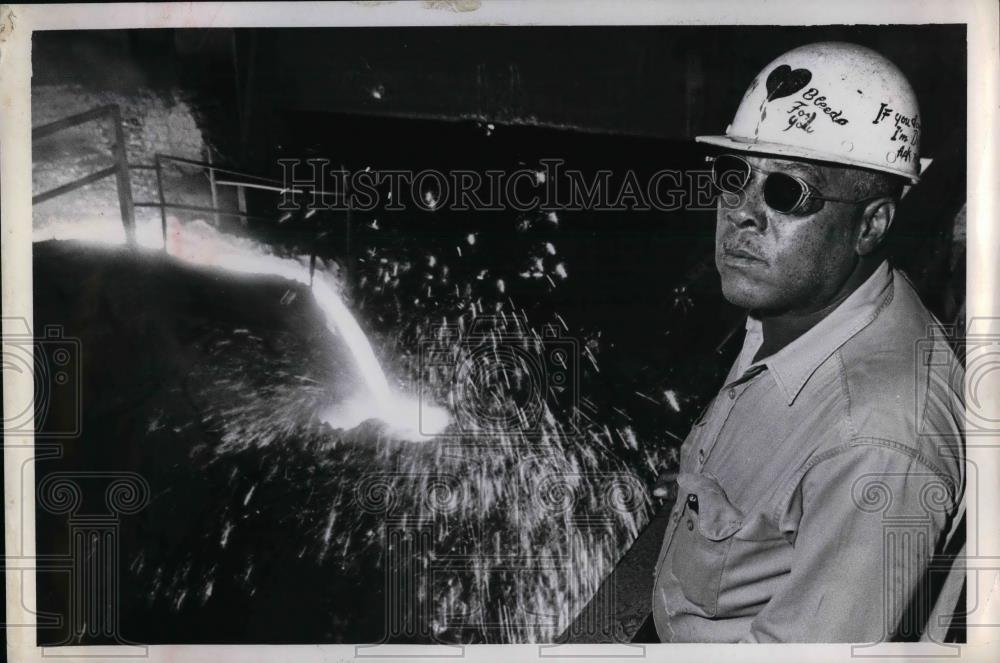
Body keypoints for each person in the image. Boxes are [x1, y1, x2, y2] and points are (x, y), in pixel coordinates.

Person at [651, 42, 965, 643]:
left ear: (870, 224)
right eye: (734, 177)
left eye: (787, 193)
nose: (742, 213)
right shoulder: (798, 311)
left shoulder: (874, 441)